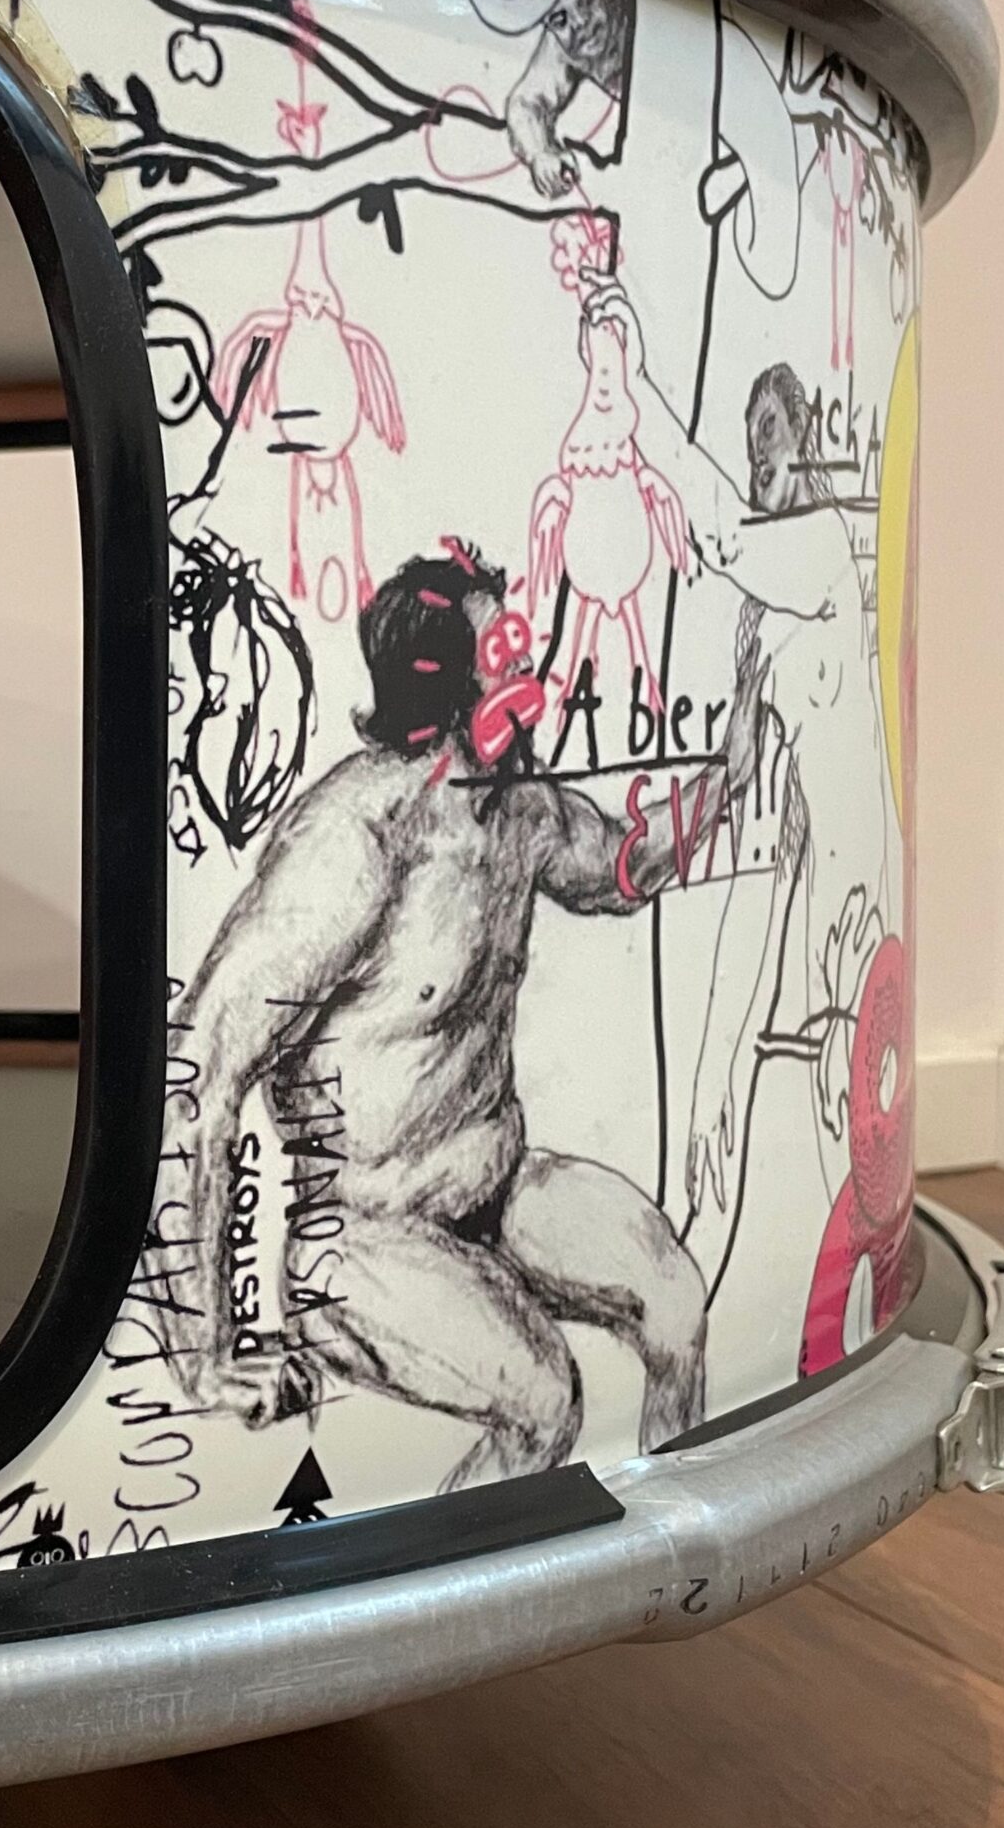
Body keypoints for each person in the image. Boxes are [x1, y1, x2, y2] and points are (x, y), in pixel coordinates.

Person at [172, 546, 709, 1490]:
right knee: (543, 1400)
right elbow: (200, 1069)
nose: (529, 667)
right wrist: (204, 1353)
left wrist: (732, 768)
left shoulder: (519, 813)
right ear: (447, 684)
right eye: (504, 652)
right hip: (362, 1243)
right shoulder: (358, 836)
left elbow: (624, 865)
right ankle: (458, 1581)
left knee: (673, 1302)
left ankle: (679, 1541)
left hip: (494, 1191)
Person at [606, 276, 902, 1285]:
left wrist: (636, 387)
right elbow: (737, 759)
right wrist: (663, 834)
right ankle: (697, 1249)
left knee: (816, 1096)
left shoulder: (817, 549)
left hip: (837, 873)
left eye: (769, 430)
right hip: (780, 856)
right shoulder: (765, 601)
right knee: (715, 1070)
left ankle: (769, 1270)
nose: (757, 451)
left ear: (804, 435)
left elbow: (723, 532)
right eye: (749, 436)